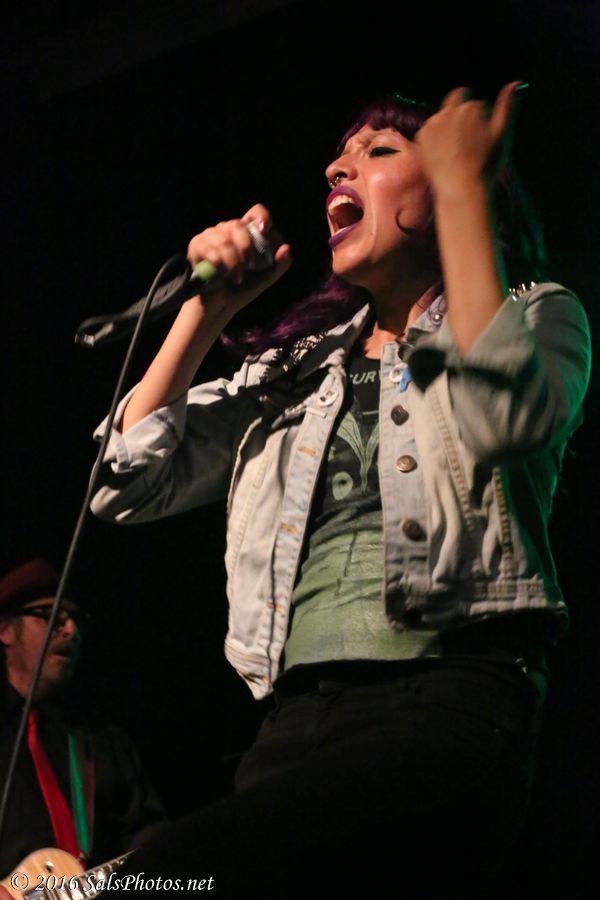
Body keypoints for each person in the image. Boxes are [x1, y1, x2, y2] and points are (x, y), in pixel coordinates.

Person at [90, 83, 591, 898]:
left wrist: (463, 188)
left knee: (164, 882)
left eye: (380, 151)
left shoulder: (537, 315)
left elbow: (502, 415)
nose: (337, 169)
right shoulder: (297, 370)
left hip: (446, 701)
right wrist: (207, 312)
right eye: (338, 159)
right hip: (294, 723)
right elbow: (125, 483)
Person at [0, 558, 167, 882]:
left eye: (76, 619)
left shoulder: (104, 740)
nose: (71, 630)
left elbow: (151, 840)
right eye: (50, 616)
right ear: (5, 630)